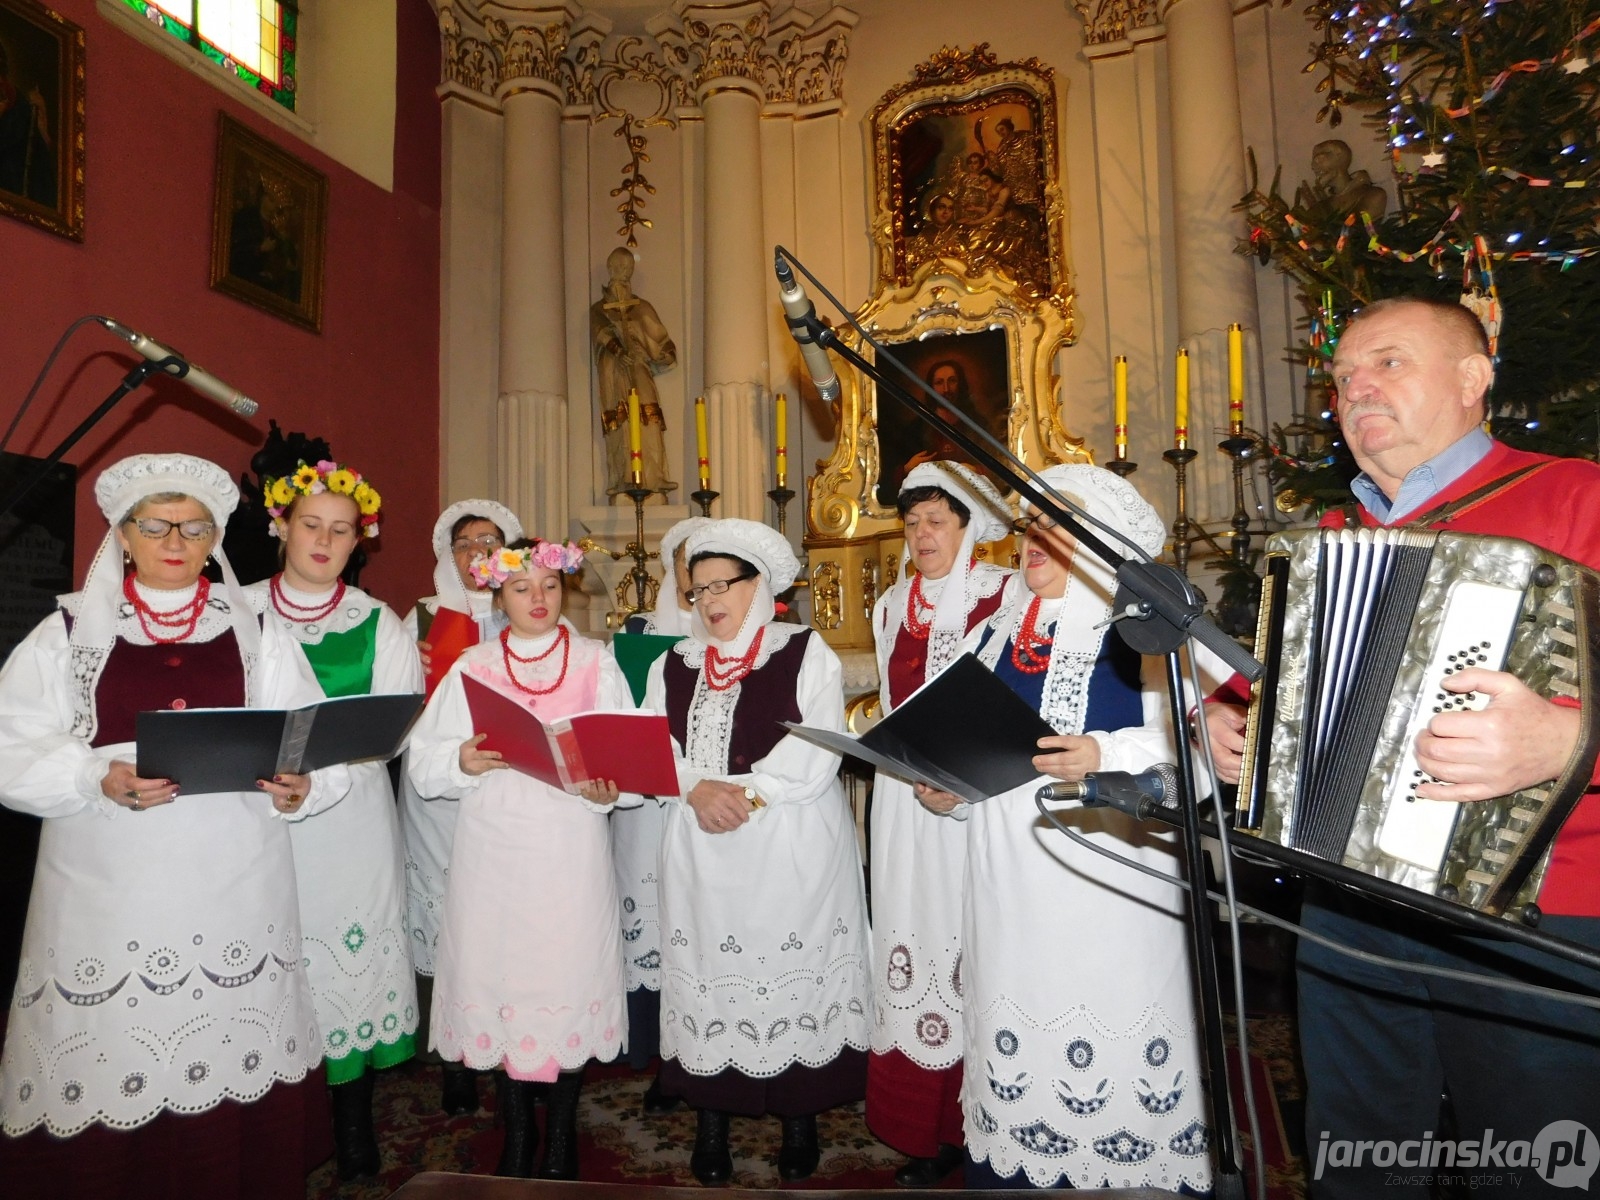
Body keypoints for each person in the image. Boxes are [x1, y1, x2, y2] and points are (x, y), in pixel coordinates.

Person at [1204, 296, 1600, 1199]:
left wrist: (1572, 738)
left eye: (1388, 363)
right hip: (1350, 908)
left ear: (1474, 378)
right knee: (1358, 1156)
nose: (1356, 388)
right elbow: (1258, 690)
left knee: (1541, 1165)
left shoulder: (1578, 493)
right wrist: (1224, 725)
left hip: (1537, 910)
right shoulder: (1328, 541)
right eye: (1342, 377)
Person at [0, 453, 348, 1199]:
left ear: (214, 537)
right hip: (108, 878)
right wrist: (94, 775)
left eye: (194, 528)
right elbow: (11, 741)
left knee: (231, 1041)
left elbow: (313, 737)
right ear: (122, 535)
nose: (174, 540)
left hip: (236, 876)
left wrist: (300, 785)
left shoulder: (258, 629)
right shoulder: (66, 632)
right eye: (154, 525)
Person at [915, 464, 1213, 1194]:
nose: (1035, 539)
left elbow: (1204, 763)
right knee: (1019, 1063)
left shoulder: (1148, 633)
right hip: (1005, 896)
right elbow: (977, 750)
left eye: (1059, 524)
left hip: (1106, 897)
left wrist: (1104, 753)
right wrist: (947, 787)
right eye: (1031, 525)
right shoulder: (990, 636)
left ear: (1107, 543)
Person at [643, 518, 872, 1186]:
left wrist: (751, 795)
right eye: (698, 590)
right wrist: (694, 788)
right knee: (712, 969)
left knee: (789, 963)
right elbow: (656, 746)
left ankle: (799, 1117)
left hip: (786, 838)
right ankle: (712, 1117)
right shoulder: (673, 663)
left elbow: (818, 743)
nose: (710, 601)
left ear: (760, 586)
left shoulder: (806, 650)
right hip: (700, 840)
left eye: (722, 585)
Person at [406, 538, 634, 1180]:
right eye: (521, 587)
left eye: (549, 586)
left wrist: (609, 784)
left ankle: (560, 1137)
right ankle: (513, 1132)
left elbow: (628, 751)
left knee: (564, 975)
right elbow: (424, 760)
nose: (538, 599)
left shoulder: (595, 661)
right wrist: (462, 758)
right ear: (497, 595)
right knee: (501, 974)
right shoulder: (473, 665)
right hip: (494, 846)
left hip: (569, 843)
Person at [249, 459, 420, 1181]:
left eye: (341, 531)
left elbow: (392, 725)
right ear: (280, 526)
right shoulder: (235, 609)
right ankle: (272, 1124)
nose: (323, 540)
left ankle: (352, 1128)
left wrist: (317, 781)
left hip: (349, 821)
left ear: (360, 542)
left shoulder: (377, 621)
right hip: (253, 815)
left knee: (342, 969)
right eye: (310, 525)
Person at [865, 463, 1012, 1186]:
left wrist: (957, 773)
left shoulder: (1001, 596)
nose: (923, 535)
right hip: (900, 799)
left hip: (967, 797)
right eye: (913, 522)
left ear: (968, 527)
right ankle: (916, 1125)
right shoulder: (890, 605)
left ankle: (972, 1124)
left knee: (967, 942)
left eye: (937, 521)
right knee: (910, 935)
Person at [398, 498, 524, 1116]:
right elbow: (389, 708)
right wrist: (411, 677)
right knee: (446, 913)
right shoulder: (420, 618)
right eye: (466, 542)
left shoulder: (529, 605)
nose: (478, 552)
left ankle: (510, 1045)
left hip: (509, 790)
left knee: (502, 917)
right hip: (438, 795)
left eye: (490, 542)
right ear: (448, 555)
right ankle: (452, 1055)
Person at [613, 515, 712, 1114]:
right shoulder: (638, 629)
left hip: (703, 801)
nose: (693, 572)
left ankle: (695, 1052)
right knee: (649, 918)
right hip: (644, 806)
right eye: (684, 558)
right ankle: (652, 1049)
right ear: (673, 566)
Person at [593, 246, 678, 496]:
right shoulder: (600, 308)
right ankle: (622, 477)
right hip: (614, 370)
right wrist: (619, 351)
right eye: (619, 267)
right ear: (610, 269)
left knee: (649, 415)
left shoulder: (641, 307)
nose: (624, 272)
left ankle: (654, 476)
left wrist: (664, 353)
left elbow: (659, 337)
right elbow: (599, 331)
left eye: (628, 268)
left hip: (639, 366)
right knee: (619, 420)